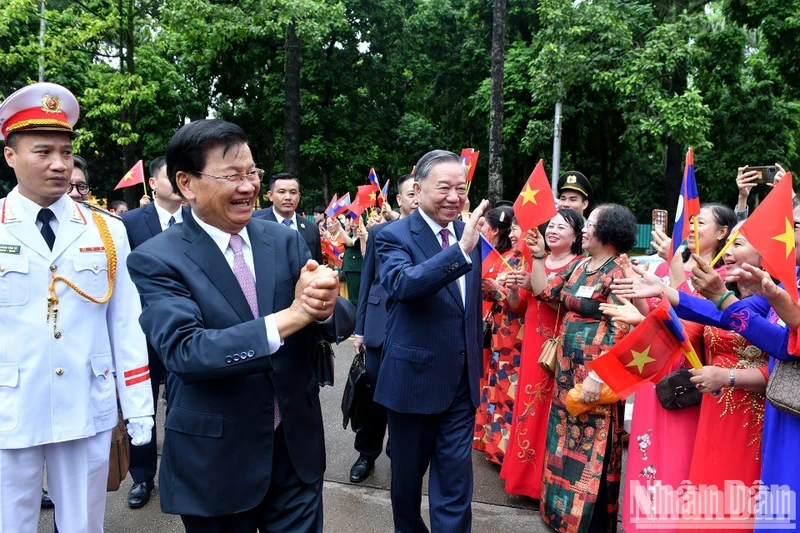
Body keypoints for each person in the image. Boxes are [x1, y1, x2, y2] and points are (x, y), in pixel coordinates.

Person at [126, 119, 354, 532]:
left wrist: (322, 306)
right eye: (231, 175)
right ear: (187, 183)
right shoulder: (157, 258)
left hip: (294, 452)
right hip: (217, 461)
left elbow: (335, 321)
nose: (247, 186)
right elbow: (185, 351)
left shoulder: (281, 240)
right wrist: (294, 315)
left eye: (252, 173)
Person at [0, 82, 154, 533]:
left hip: (86, 403)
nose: (58, 164)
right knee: (11, 521)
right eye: (43, 151)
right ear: (10, 155)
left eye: (66, 153)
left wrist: (139, 408)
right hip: (11, 403)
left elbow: (125, 325)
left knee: (84, 524)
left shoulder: (106, 232)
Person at [607, 228, 769, 532]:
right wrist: (649, 301)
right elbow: (681, 331)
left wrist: (728, 376)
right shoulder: (723, 297)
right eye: (729, 242)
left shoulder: (777, 301)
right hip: (714, 408)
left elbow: (782, 362)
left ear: (767, 253)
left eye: (739, 243)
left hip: (754, 415)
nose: (729, 249)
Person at [374, 149, 488, 533]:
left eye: (461, 188)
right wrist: (461, 252)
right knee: (406, 487)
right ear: (419, 189)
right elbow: (403, 285)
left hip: (460, 385)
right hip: (413, 384)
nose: (454, 197)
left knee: (455, 486)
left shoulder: (466, 234)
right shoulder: (392, 235)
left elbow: (467, 308)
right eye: (445, 188)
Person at [526, 203, 637, 532]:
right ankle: (557, 514)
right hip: (565, 374)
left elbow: (621, 328)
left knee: (592, 447)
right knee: (562, 442)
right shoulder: (580, 267)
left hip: (595, 378)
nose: (584, 229)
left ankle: (586, 522)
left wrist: (597, 375)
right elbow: (544, 292)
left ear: (609, 233)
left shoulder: (618, 272)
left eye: (590, 224)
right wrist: (536, 257)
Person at [119, 155, 191, 509]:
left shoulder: (197, 219)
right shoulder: (129, 223)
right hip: (141, 333)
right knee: (142, 404)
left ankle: (181, 471)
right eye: (170, 177)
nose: (178, 185)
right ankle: (142, 477)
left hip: (186, 331)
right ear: (153, 183)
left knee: (183, 404)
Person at [502, 209, 584, 500]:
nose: (553, 230)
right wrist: (513, 290)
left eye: (562, 227)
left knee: (554, 413)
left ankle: (546, 485)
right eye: (552, 225)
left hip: (561, 346)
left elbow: (567, 307)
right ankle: (524, 479)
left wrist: (539, 291)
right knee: (528, 409)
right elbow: (518, 307)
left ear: (576, 236)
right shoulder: (536, 260)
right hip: (534, 347)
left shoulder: (579, 265)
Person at [349, 173, 418, 483]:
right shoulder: (380, 232)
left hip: (416, 327)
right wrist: (360, 329)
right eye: (411, 194)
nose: (417, 199)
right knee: (373, 397)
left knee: (406, 398)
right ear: (399, 200)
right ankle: (367, 453)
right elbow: (367, 282)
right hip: (379, 327)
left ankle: (399, 454)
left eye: (421, 192)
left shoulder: (439, 236)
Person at [473, 206, 523, 465]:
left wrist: (499, 290)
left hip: (518, 339)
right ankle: (493, 447)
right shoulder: (513, 258)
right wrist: (489, 290)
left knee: (509, 393)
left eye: (517, 228)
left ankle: (507, 452)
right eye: (512, 228)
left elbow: (522, 302)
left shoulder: (531, 262)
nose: (512, 234)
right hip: (499, 333)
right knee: (496, 388)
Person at [253, 172, 322, 264]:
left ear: (299, 197)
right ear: (270, 195)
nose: (288, 197)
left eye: (293, 192)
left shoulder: (311, 227)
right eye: (282, 192)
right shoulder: (257, 226)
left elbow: (317, 262)